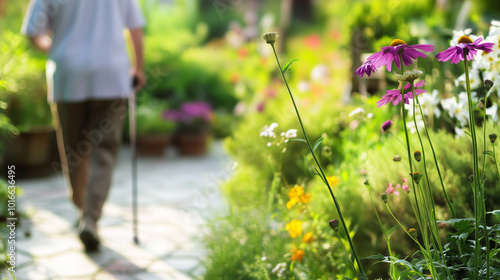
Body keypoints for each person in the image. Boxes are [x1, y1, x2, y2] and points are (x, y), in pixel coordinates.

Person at [21, 0, 146, 251]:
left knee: (74, 150)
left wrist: (58, 48)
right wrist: (139, 68)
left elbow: (33, 32)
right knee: (105, 151)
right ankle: (90, 216)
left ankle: (83, 210)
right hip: (110, 73)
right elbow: (135, 27)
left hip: (69, 74)